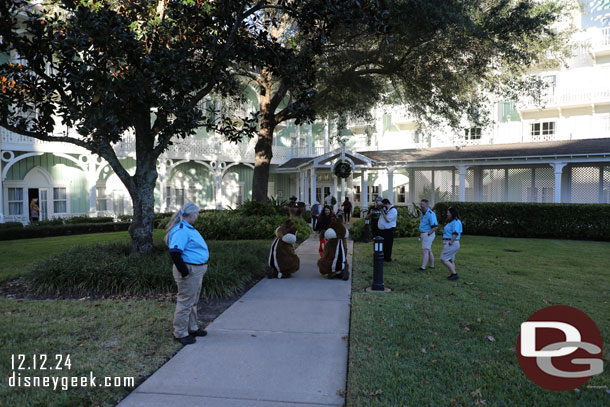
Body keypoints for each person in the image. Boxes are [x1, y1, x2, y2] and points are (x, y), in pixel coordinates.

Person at [165, 202, 209, 345]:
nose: (197, 216)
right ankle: (180, 333)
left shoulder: (189, 228)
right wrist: (184, 272)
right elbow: (175, 253)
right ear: (191, 214)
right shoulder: (182, 230)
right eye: (196, 214)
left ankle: (192, 327)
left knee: (193, 301)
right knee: (185, 302)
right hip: (189, 270)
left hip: (196, 269)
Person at [440, 207, 463, 281]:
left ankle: (454, 274)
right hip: (450, 242)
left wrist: (450, 242)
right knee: (450, 260)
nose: (447, 214)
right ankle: (452, 274)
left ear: (452, 213)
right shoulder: (452, 221)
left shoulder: (456, 222)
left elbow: (455, 233)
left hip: (451, 243)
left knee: (443, 259)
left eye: (448, 212)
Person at [418, 199, 438, 271]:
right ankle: (432, 265)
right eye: (420, 204)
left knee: (425, 250)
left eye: (422, 204)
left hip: (428, 234)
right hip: (423, 233)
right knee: (428, 250)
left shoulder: (431, 214)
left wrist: (428, 234)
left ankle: (423, 267)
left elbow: (435, 226)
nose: (420, 206)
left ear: (427, 205)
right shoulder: (422, 213)